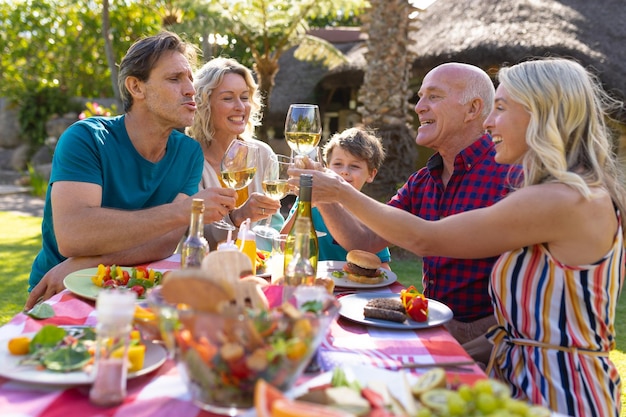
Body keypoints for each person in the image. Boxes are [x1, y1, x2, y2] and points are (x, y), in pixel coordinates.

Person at [292, 58, 625, 416]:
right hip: (520, 380)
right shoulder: (559, 192)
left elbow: (426, 239)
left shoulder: (561, 198)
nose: (490, 122)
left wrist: (341, 190)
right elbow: (524, 331)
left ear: (540, 113)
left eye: (501, 108)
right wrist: (446, 358)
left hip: (559, 393)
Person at [294, 63, 523, 345]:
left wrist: (340, 190)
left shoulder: (512, 175)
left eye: (434, 96)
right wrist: (324, 195)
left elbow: (530, 294)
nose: (419, 107)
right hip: (429, 324)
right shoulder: (423, 180)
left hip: (488, 339)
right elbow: (363, 242)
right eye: (420, 96)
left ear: (473, 109)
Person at [25, 31, 237, 309]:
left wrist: (87, 263)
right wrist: (184, 212)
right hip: (61, 291)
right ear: (136, 87)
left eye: (189, 78)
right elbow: (72, 235)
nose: (190, 90)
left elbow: (166, 240)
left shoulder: (188, 152)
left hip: (133, 288)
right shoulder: (86, 139)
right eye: (175, 79)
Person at [186, 57, 284, 250]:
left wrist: (304, 200)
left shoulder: (264, 155)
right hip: (207, 271)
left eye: (245, 97)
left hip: (258, 269)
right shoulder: (187, 160)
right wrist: (238, 217)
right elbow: (196, 236)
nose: (240, 106)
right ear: (205, 104)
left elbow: (274, 229)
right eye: (228, 98)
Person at [281, 126, 391, 268]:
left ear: (371, 174)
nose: (344, 172)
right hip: (310, 279)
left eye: (354, 166)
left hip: (355, 286)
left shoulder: (369, 212)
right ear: (326, 167)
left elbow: (382, 267)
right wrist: (304, 205)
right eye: (338, 164)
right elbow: (282, 243)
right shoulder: (309, 199)